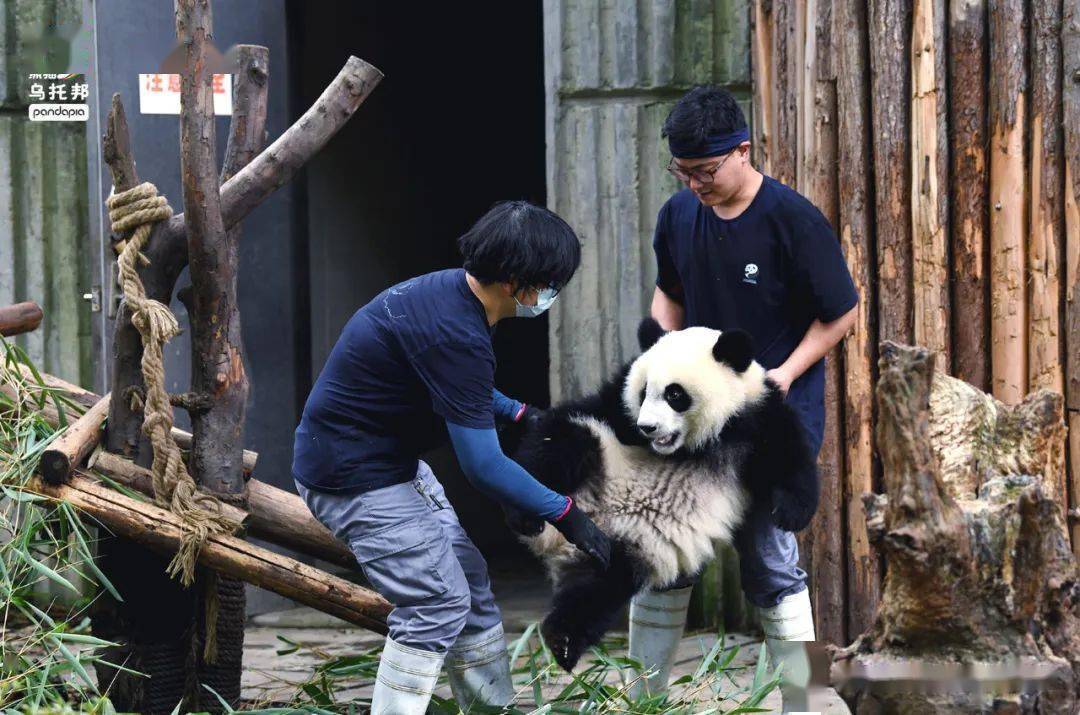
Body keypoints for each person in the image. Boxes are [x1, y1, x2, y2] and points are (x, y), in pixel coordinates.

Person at [291, 201, 612, 714]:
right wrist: (568, 515)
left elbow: (457, 386)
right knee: (436, 605)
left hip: (392, 464)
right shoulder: (456, 333)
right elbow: (482, 467)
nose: (554, 293)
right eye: (551, 281)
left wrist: (520, 413)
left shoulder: (450, 295)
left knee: (469, 588)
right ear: (514, 282)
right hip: (354, 479)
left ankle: (491, 709)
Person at [634, 85, 858, 713]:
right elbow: (668, 293)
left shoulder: (793, 219)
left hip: (772, 415)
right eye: (683, 173)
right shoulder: (678, 216)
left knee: (769, 561)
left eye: (706, 171)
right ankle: (641, 697)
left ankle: (805, 701)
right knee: (666, 555)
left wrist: (784, 372)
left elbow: (841, 313)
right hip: (690, 418)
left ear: (742, 151)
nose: (696, 184)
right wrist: (662, 355)